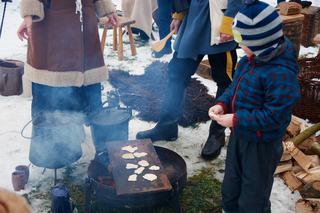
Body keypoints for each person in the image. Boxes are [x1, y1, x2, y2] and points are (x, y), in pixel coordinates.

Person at [208, 1, 300, 211]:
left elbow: (274, 116)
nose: (238, 43)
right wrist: (223, 104)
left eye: (240, 38)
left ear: (261, 41)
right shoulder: (249, 60)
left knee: (253, 196)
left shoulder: (280, 74)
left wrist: (236, 119)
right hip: (240, 136)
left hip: (261, 146)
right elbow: (234, 87)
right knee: (231, 184)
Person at [136, 0, 244, 160]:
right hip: (194, 17)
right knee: (176, 74)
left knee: (225, 81)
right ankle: (167, 125)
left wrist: (229, 21)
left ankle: (216, 134)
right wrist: (179, 14)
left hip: (221, 20)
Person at [17, 0, 118, 155]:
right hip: (52, 21)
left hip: (85, 19)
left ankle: (75, 135)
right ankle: (53, 151)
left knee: (84, 81)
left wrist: (106, 8)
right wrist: (29, 14)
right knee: (53, 85)